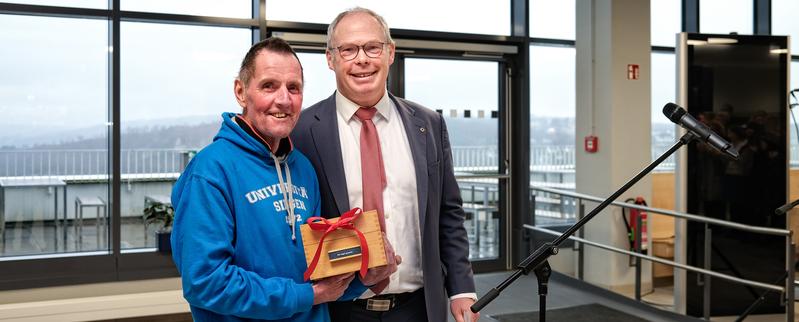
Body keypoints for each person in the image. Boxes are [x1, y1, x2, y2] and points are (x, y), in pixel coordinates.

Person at [171, 37, 395, 322]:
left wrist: (364, 278)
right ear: (240, 91)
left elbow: (318, 277)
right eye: (269, 86)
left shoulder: (302, 168)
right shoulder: (210, 172)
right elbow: (205, 282)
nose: (284, 100)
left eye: (294, 88)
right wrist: (307, 296)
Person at [291, 8, 480, 322]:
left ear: (390, 52)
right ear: (330, 59)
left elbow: (448, 211)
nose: (362, 59)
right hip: (338, 310)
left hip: (418, 307)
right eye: (348, 50)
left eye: (372, 47)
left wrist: (462, 288)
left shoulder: (429, 125)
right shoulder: (303, 131)